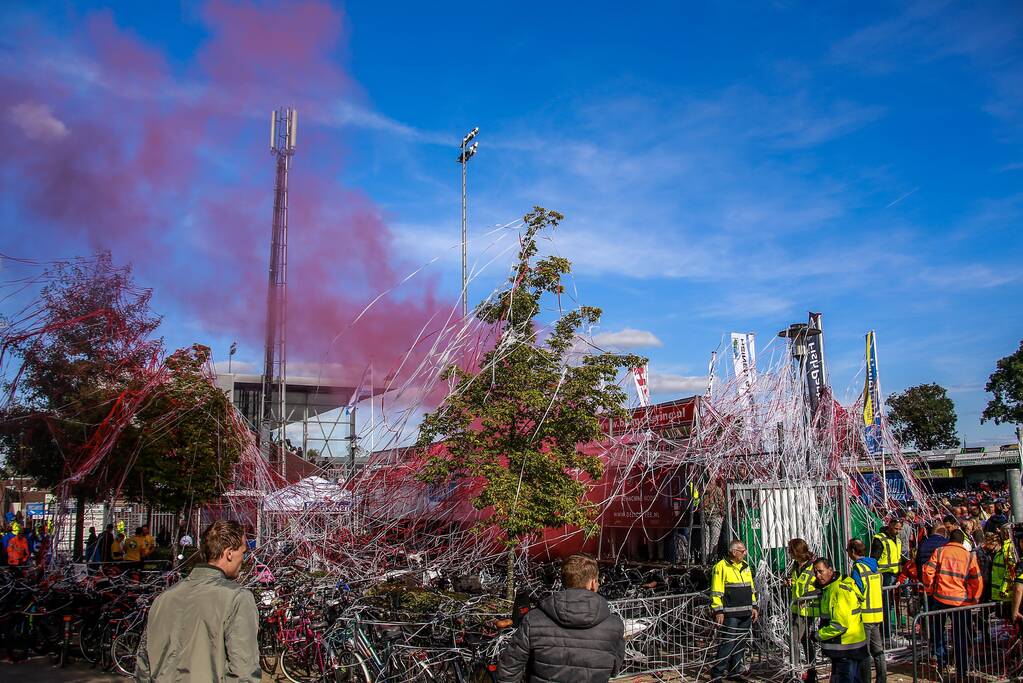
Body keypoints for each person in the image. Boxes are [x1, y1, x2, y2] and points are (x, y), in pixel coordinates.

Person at [136, 520, 261, 683]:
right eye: (242, 552)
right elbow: (244, 673)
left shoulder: (163, 599)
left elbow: (143, 668)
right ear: (229, 553)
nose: (243, 559)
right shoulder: (237, 598)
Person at [497, 554, 624, 683]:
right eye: (597, 581)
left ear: (564, 581)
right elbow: (614, 669)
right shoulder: (614, 625)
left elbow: (509, 669)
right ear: (592, 583)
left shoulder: (534, 620)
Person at [921, 529, 982, 675]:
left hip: (940, 598)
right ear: (962, 542)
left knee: (937, 633)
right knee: (960, 636)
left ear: (949, 539)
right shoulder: (968, 556)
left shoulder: (940, 551)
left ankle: (942, 664)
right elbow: (977, 580)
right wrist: (975, 598)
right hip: (961, 602)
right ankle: (961, 669)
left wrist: (929, 588)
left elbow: (928, 571)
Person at [709, 540, 758, 682]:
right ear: (733, 552)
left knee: (740, 644)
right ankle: (717, 673)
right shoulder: (721, 567)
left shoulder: (746, 566)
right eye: (742, 551)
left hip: (746, 611)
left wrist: (754, 606)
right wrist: (718, 610)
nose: (745, 553)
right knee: (728, 643)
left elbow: (751, 589)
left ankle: (734, 671)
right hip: (730, 613)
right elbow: (716, 591)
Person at [813, 558, 867, 683]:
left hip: (846, 648)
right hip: (846, 647)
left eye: (821, 571)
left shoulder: (838, 590)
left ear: (830, 570)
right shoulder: (830, 587)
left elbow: (840, 625)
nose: (818, 575)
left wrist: (818, 635)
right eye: (815, 573)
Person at [848, 539, 885, 683]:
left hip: (865, 614)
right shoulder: (874, 565)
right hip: (877, 613)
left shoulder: (858, 568)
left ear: (852, 552)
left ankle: (866, 680)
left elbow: (858, 591)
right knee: (878, 651)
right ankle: (882, 679)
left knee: (865, 653)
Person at [786, 538, 818, 672]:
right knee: (804, 639)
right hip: (796, 608)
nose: (788, 552)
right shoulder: (796, 565)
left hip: (808, 609)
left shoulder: (813, 567)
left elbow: (820, 587)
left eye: (790, 550)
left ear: (796, 551)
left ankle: (795, 669)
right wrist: (789, 583)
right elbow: (798, 584)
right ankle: (811, 667)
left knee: (793, 639)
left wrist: (806, 598)